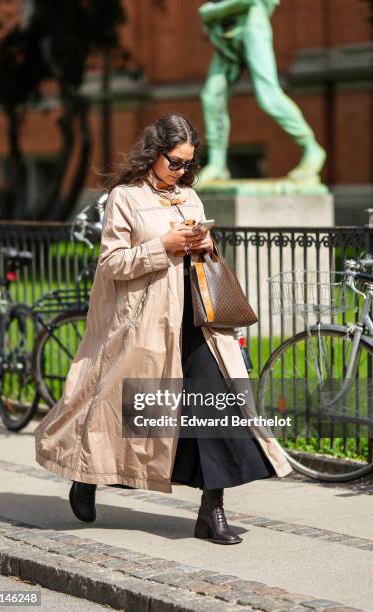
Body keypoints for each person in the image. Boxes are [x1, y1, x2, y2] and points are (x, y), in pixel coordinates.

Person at [34, 113, 293, 545]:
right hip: (146, 326)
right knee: (120, 411)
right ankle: (86, 476)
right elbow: (112, 263)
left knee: (217, 408)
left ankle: (212, 512)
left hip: (198, 321)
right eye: (175, 162)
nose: (182, 171)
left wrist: (205, 243)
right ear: (154, 154)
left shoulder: (189, 197)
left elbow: (200, 249)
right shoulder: (124, 198)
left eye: (189, 164)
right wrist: (162, 247)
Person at [198, 0, 326, 182]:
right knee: (212, 96)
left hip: (251, 22)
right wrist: (213, 13)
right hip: (225, 29)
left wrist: (211, 12)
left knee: (268, 96)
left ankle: (311, 148)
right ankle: (217, 164)